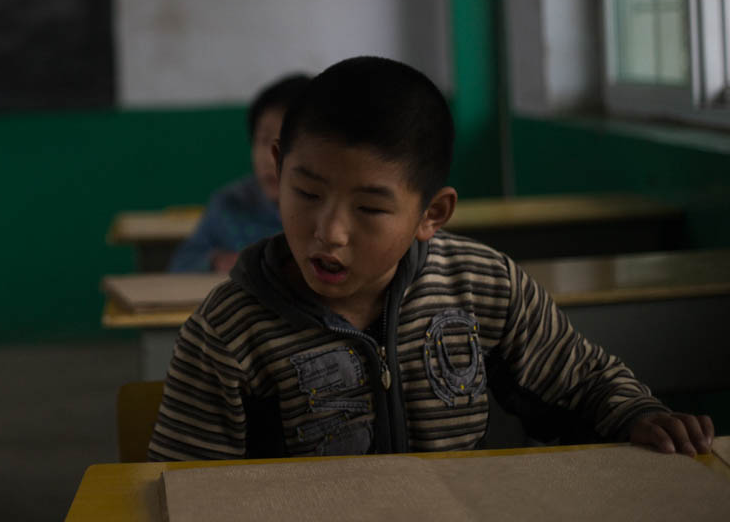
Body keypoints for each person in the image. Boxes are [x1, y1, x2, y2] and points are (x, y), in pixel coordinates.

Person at [149, 56, 714, 460]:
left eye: (370, 208)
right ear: (278, 168)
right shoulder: (226, 334)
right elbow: (188, 487)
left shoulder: (484, 287)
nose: (330, 232)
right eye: (307, 193)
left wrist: (638, 414)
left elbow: (585, 384)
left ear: (432, 215)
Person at [168, 74, 311, 273]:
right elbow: (181, 265)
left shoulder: (329, 215)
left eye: (286, 143)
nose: (270, 159)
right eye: (263, 140)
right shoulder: (230, 204)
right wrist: (217, 262)